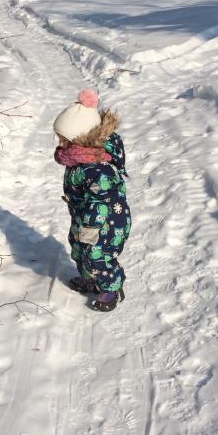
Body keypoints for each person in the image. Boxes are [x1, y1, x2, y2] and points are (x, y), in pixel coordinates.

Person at [53, 89, 131, 312]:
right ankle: (91, 280)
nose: (59, 142)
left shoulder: (98, 168)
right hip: (83, 216)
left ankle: (111, 288)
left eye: (63, 138)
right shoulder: (80, 159)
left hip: (105, 223)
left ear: (80, 138)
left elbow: (102, 201)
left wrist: (91, 225)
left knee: (98, 257)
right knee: (79, 250)